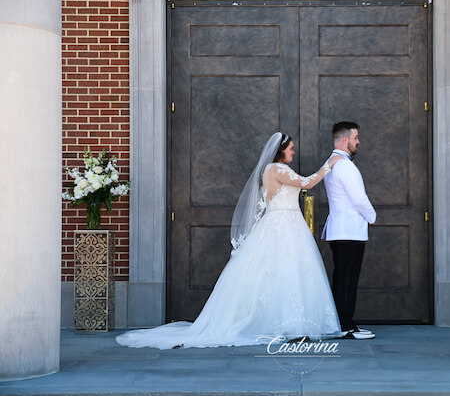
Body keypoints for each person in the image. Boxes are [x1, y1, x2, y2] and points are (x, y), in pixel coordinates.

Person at [116, 133, 344, 349]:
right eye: (291, 148)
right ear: (281, 150)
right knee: (284, 272)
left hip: (286, 224)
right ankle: (286, 324)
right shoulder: (277, 168)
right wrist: (329, 164)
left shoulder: (270, 169)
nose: (294, 152)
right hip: (283, 225)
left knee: (284, 273)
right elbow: (306, 183)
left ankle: (289, 324)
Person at [321, 122, 377, 340]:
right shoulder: (344, 165)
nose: (358, 141)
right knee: (346, 279)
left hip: (342, 230)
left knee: (343, 278)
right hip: (349, 231)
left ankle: (345, 323)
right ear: (345, 140)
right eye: (355, 137)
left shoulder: (335, 163)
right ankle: (345, 325)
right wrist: (372, 216)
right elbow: (358, 198)